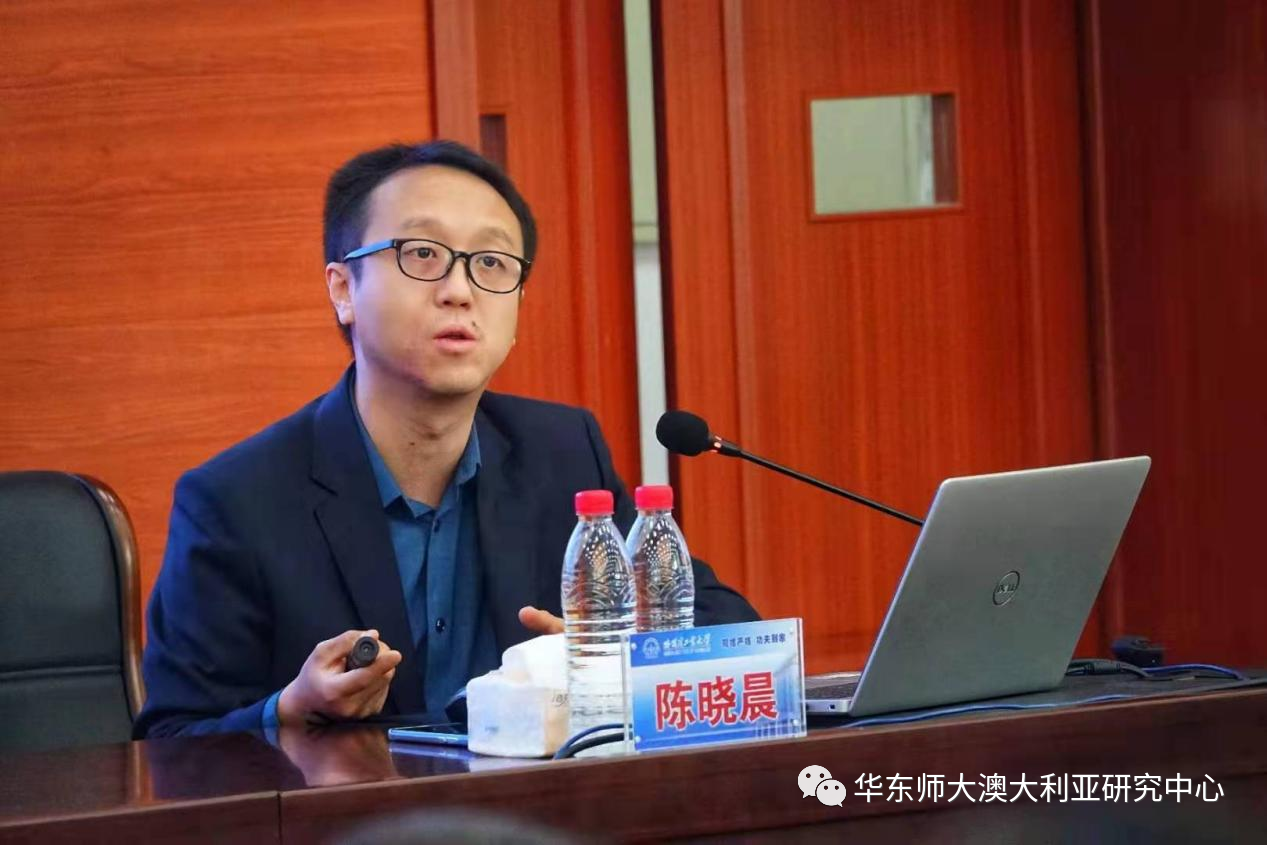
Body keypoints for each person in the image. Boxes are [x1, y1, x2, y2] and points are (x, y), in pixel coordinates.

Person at [134, 140, 758, 738]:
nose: (460, 291)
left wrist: (617, 656)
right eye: (422, 253)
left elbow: (725, 627)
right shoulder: (237, 500)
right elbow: (173, 742)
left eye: (491, 263)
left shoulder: (563, 453)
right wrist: (290, 711)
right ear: (343, 290)